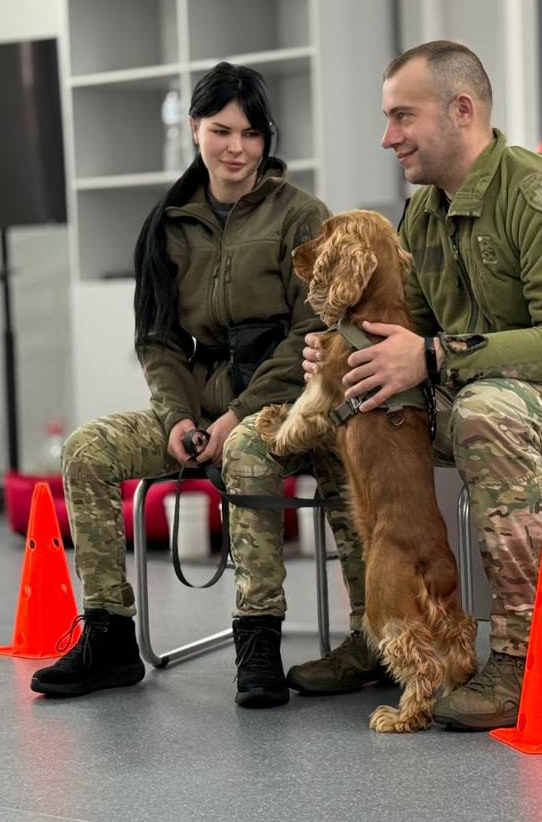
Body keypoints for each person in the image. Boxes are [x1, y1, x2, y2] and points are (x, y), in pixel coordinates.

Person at [303, 41, 542, 730]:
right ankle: (386, 628)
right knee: (352, 406)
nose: (388, 138)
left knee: (483, 411)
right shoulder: (423, 215)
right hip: (494, 389)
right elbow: (405, 337)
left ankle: (524, 657)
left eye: (402, 117)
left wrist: (433, 358)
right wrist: (342, 362)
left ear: (461, 110)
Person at [30, 63, 373, 709]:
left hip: (286, 405)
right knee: (87, 449)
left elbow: (310, 331)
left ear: (268, 138)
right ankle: (107, 636)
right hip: (194, 408)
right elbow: (157, 341)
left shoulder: (303, 216)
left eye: (251, 132)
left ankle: (258, 639)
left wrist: (235, 416)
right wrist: (176, 421)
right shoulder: (165, 224)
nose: (237, 147)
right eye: (221, 130)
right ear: (194, 129)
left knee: (246, 447)